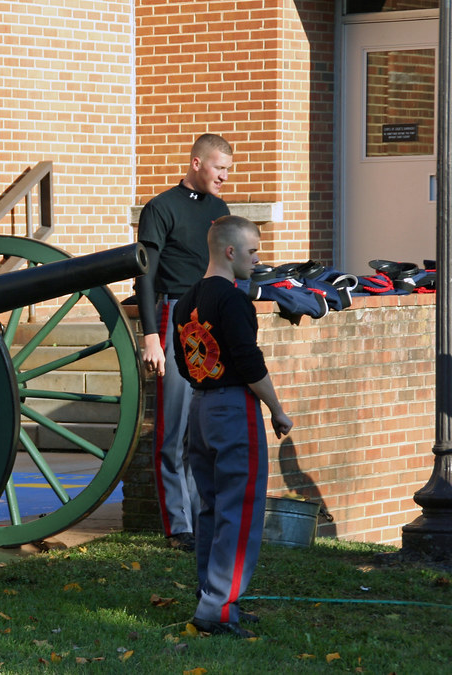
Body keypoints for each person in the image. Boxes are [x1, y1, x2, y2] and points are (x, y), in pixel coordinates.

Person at [172, 215, 293, 638]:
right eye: (252, 251)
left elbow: (184, 362)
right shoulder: (233, 299)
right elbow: (248, 360)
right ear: (230, 251)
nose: (257, 260)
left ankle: (213, 596)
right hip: (233, 408)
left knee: (210, 508)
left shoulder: (185, 301)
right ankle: (218, 609)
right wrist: (277, 409)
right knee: (239, 510)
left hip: (200, 409)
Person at [135, 133, 233, 551]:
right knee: (172, 431)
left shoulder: (220, 210)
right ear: (196, 163)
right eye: (219, 168)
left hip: (213, 318)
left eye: (228, 170)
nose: (225, 177)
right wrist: (151, 336)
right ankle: (178, 528)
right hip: (174, 317)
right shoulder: (160, 208)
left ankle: (200, 520)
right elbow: (143, 274)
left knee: (203, 431)